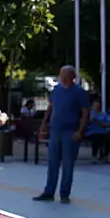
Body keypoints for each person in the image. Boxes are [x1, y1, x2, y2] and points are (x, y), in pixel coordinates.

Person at [33, 66, 90, 204]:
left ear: (72, 76)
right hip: (55, 130)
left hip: (70, 131)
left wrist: (80, 131)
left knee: (67, 163)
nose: (62, 78)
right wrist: (43, 125)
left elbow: (86, 113)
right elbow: (50, 108)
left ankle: (64, 194)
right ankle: (49, 192)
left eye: (65, 75)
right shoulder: (57, 90)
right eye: (61, 75)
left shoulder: (79, 92)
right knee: (52, 162)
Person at [85, 99, 110, 163]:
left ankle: (105, 155)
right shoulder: (89, 114)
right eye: (95, 106)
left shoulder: (104, 115)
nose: (97, 107)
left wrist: (99, 123)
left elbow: (109, 124)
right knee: (97, 137)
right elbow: (86, 122)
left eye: (98, 106)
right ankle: (94, 156)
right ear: (92, 106)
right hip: (92, 132)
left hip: (102, 131)